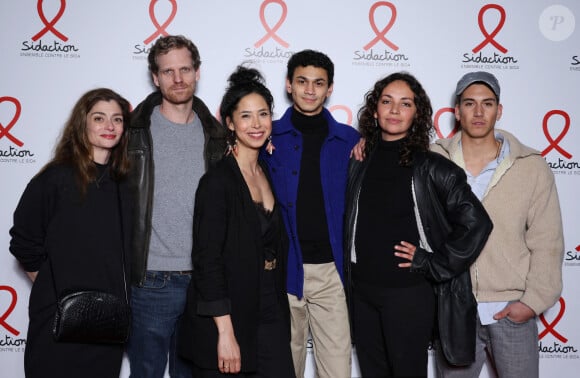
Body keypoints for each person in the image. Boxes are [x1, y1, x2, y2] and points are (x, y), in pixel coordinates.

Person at [344, 72, 493, 377]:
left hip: (408, 296)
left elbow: (478, 223)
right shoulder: (359, 160)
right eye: (387, 102)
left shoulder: (433, 167)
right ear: (375, 110)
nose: (395, 110)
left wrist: (433, 262)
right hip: (362, 295)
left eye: (405, 103)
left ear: (417, 113)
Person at [432, 71, 564, 378]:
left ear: (499, 110)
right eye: (470, 103)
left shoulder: (530, 165)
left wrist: (532, 302)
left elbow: (548, 240)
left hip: (511, 308)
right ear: (457, 111)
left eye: (487, 104)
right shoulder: (433, 159)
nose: (478, 112)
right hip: (454, 309)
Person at [178, 65, 295, 377]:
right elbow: (207, 261)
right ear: (229, 122)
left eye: (263, 114)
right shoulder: (217, 182)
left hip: (268, 301)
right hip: (230, 311)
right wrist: (225, 333)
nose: (256, 124)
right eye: (245, 116)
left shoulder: (266, 171)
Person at [9, 88, 133, 378]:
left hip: (107, 323)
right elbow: (24, 241)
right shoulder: (55, 178)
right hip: (57, 322)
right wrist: (52, 286)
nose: (110, 126)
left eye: (117, 119)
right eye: (99, 118)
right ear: (82, 123)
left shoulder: (125, 185)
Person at [126, 35, 226, 377]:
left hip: (203, 281)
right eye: (168, 71)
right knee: (146, 372)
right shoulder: (132, 133)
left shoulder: (218, 137)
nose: (178, 78)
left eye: (185, 69)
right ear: (156, 77)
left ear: (197, 72)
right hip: (151, 279)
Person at [260, 49, 360, 377]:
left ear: (330, 89)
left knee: (337, 370)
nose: (309, 90)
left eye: (319, 83)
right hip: (283, 271)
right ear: (288, 85)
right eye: (302, 81)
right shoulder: (265, 135)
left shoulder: (351, 140)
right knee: (283, 369)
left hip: (331, 273)